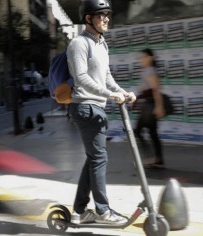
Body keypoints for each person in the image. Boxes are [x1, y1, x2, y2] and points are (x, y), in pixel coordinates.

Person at [67, 0, 136, 225]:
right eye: (101, 15)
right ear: (88, 18)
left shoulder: (102, 43)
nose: (106, 18)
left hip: (97, 107)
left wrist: (123, 92)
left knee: (93, 159)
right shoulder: (79, 44)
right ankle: (103, 211)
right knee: (99, 158)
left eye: (108, 14)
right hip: (85, 107)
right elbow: (82, 79)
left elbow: (106, 77)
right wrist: (108, 95)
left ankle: (80, 209)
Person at [134, 48, 165, 168]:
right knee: (153, 133)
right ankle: (157, 159)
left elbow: (156, 90)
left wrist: (159, 107)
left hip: (149, 106)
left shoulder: (150, 71)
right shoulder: (147, 70)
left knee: (138, 131)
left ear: (150, 58)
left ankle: (151, 158)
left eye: (143, 57)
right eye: (140, 58)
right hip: (147, 105)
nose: (141, 60)